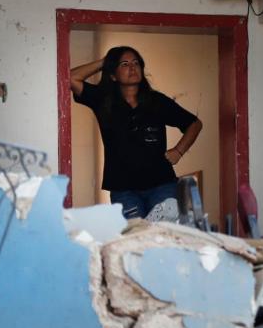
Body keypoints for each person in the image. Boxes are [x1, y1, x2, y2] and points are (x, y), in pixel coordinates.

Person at [70, 45, 203, 219]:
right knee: (136, 237)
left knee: (164, 235)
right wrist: (106, 61)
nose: (132, 67)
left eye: (135, 63)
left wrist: (179, 151)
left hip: (161, 184)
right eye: (124, 64)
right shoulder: (103, 100)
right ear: (113, 75)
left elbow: (194, 124)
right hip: (123, 189)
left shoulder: (157, 101)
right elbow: (71, 78)